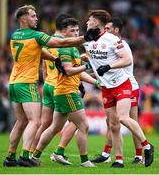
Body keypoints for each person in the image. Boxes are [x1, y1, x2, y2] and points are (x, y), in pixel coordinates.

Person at [3, 5, 100, 167]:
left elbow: (36, 52)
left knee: (21, 122)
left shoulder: (15, 35)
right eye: (33, 16)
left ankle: (10, 157)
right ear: (23, 19)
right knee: (34, 121)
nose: (36, 18)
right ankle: (25, 156)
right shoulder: (36, 35)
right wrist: (85, 38)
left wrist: (53, 60)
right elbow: (61, 43)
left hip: (14, 82)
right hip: (28, 83)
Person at [83, 10, 154, 168]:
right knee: (113, 123)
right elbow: (92, 62)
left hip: (125, 83)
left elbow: (127, 60)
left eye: (90, 20)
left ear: (96, 23)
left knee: (125, 118)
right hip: (107, 87)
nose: (87, 22)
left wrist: (108, 66)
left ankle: (145, 148)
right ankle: (117, 159)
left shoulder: (115, 41)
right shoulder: (88, 40)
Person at [30, 16, 100, 168]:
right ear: (63, 31)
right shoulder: (66, 47)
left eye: (77, 30)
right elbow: (68, 71)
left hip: (57, 87)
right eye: (72, 31)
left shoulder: (66, 46)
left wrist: (94, 80)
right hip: (66, 91)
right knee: (83, 125)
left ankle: (34, 155)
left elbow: (71, 70)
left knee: (53, 127)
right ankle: (84, 161)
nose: (76, 33)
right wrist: (87, 66)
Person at [90, 18, 143, 164]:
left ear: (116, 30)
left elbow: (120, 65)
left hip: (129, 86)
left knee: (130, 121)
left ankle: (139, 155)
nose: (105, 31)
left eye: (107, 28)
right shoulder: (107, 44)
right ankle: (107, 153)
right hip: (114, 85)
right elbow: (103, 67)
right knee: (111, 122)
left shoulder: (121, 44)